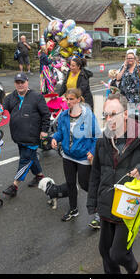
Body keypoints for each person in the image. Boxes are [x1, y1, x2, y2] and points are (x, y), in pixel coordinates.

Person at [87, 93, 140, 274]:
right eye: (105, 115)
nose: (108, 119)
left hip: (129, 204)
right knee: (105, 252)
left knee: (118, 253)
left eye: (113, 114)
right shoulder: (102, 139)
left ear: (125, 114)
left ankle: (133, 269)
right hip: (107, 201)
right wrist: (93, 202)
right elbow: (96, 173)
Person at [0, 72, 50, 197]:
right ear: (15, 84)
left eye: (22, 82)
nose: (20, 85)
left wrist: (44, 130)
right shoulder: (10, 98)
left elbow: (46, 115)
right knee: (31, 157)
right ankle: (39, 176)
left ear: (27, 82)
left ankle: (15, 185)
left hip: (32, 136)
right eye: (18, 83)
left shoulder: (37, 97)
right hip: (18, 136)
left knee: (25, 160)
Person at [41, 88, 101, 224]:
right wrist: (54, 138)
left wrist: (92, 151)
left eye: (71, 99)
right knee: (70, 184)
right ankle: (73, 209)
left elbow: (96, 136)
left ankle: (99, 210)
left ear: (78, 100)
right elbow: (61, 133)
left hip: (83, 157)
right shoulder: (63, 116)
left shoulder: (88, 116)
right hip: (68, 155)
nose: (68, 102)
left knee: (85, 184)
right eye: (67, 99)